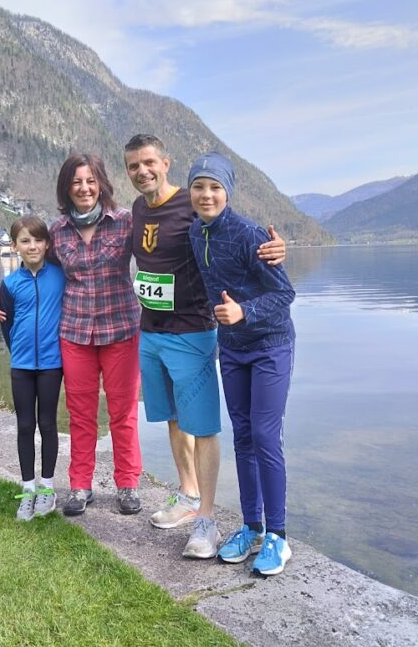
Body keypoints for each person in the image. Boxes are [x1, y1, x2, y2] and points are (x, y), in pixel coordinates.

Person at [124, 134, 286, 559]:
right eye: (133, 166)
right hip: (151, 331)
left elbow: (236, 237)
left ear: (166, 162)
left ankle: (209, 521)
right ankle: (188, 496)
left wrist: (273, 250)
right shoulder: (139, 210)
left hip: (192, 330)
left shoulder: (192, 207)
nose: (142, 171)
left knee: (205, 425)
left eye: (149, 163)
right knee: (173, 418)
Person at [187, 152, 296, 575]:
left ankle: (279, 537)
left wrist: (244, 312)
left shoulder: (250, 234)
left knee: (266, 436)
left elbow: (285, 294)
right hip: (231, 348)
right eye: (199, 186)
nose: (207, 194)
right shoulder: (197, 233)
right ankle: (251, 527)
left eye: (215, 187)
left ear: (228, 192)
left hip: (270, 345)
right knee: (244, 436)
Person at [51, 154, 144, 516]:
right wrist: (4, 293)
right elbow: (39, 271)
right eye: (76, 182)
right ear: (67, 187)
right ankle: (80, 486)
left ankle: (127, 484)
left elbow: (161, 253)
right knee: (80, 413)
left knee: (123, 413)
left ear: (101, 183)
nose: (84, 188)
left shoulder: (125, 223)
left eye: (90, 180)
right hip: (75, 332)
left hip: (121, 329)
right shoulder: (56, 230)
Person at [0, 216, 65, 521]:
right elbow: (6, 323)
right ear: (15, 247)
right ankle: (28, 490)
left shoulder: (60, 275)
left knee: (48, 424)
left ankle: (48, 489)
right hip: (22, 366)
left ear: (47, 243)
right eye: (25, 241)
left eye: (38, 240)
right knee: (25, 426)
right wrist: (19, 354)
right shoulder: (10, 283)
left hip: (52, 364)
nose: (32, 246)